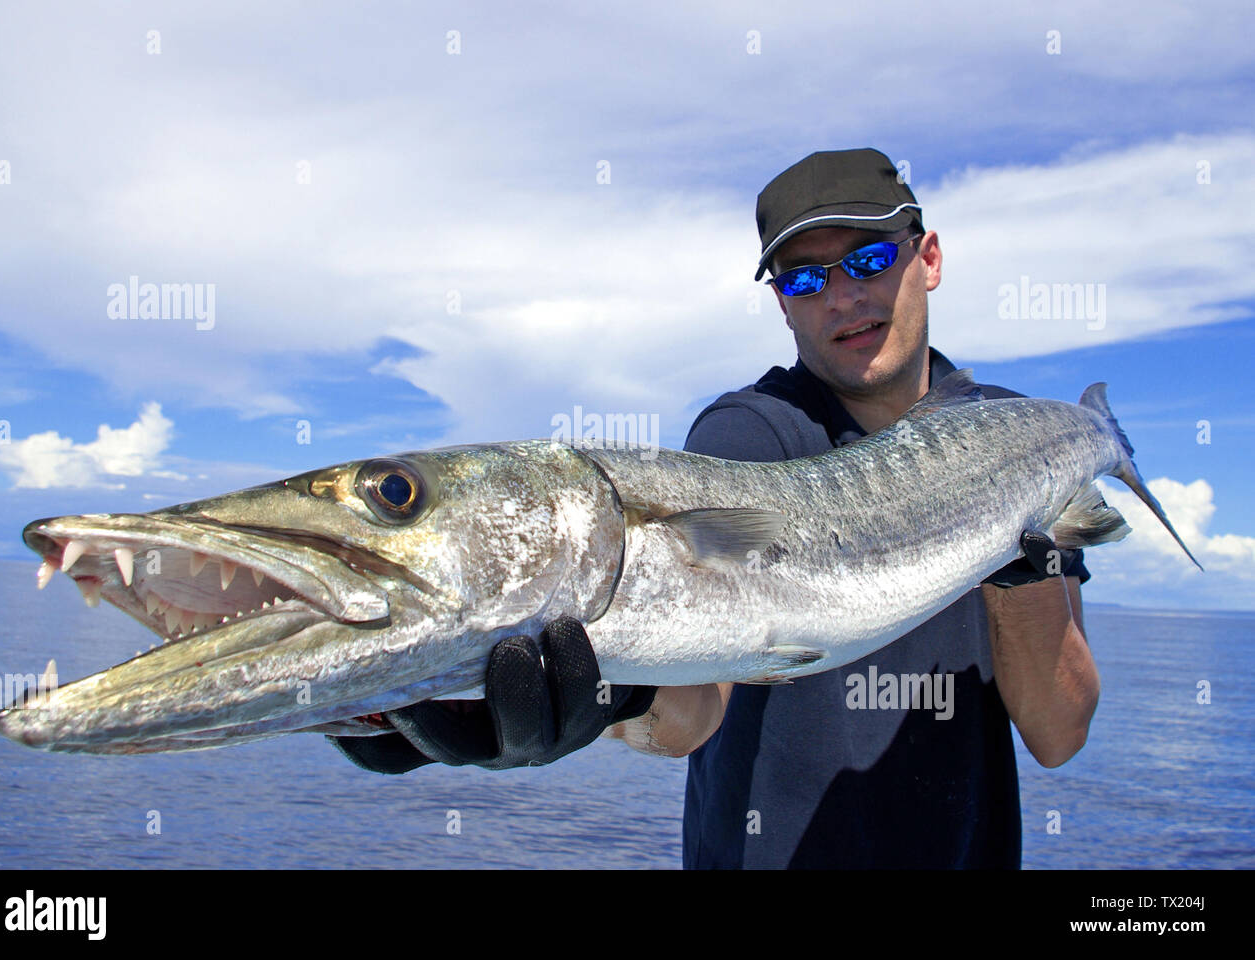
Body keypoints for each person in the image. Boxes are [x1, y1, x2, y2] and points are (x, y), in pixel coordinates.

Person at [329, 148, 1099, 871]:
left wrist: (1025, 553)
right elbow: (694, 711)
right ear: (780, 304)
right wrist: (611, 700)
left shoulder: (1016, 434)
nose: (842, 296)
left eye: (868, 259)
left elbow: (1059, 734)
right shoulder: (746, 436)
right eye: (804, 279)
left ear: (926, 259)